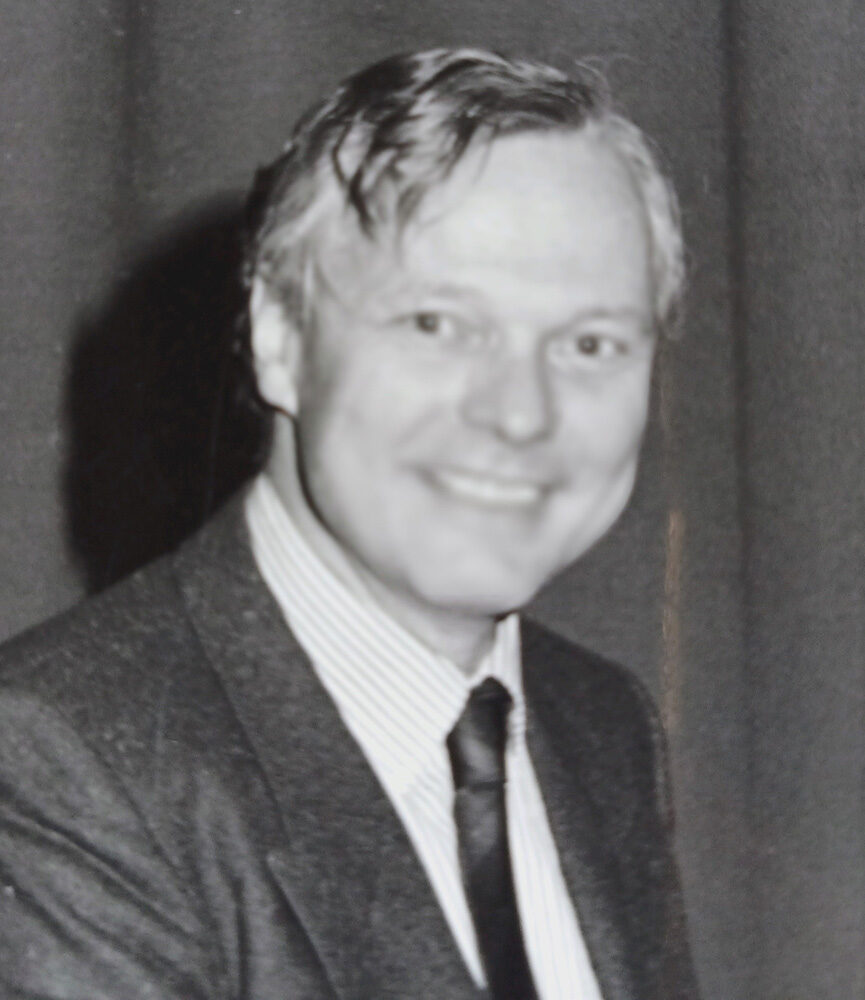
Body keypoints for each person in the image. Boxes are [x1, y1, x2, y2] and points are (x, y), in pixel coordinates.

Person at [0, 48, 698, 1000]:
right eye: (437, 325)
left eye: (589, 342)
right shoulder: (54, 762)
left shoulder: (601, 723)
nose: (522, 413)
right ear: (281, 339)